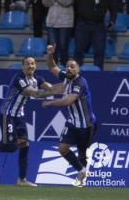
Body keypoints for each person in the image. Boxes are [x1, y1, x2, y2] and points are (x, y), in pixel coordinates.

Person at [0, 56, 65, 187]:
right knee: (10, 147)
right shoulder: (19, 79)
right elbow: (33, 94)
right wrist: (55, 91)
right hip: (7, 114)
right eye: (27, 64)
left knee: (24, 147)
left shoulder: (37, 79)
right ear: (23, 67)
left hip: (19, 116)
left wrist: (61, 88)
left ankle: (22, 180)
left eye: (32, 64)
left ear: (35, 66)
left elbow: (49, 87)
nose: (30, 66)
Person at [43, 44, 97, 187]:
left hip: (86, 124)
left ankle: (81, 181)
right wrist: (50, 54)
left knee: (81, 153)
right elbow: (51, 67)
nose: (69, 69)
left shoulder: (80, 82)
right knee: (62, 148)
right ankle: (81, 170)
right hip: (72, 122)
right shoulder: (65, 78)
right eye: (67, 66)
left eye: (72, 66)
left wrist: (51, 102)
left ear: (78, 69)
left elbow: (69, 100)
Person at [72, 0, 117, 71]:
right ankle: (74, 75)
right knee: (78, 52)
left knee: (99, 53)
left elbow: (113, 8)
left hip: (99, 26)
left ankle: (98, 76)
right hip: (83, 25)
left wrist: (112, 21)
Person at [42, 0, 75, 66]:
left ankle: (66, 69)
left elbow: (67, 2)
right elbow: (47, 4)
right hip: (52, 20)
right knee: (52, 47)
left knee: (63, 46)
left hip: (65, 21)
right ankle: (53, 69)